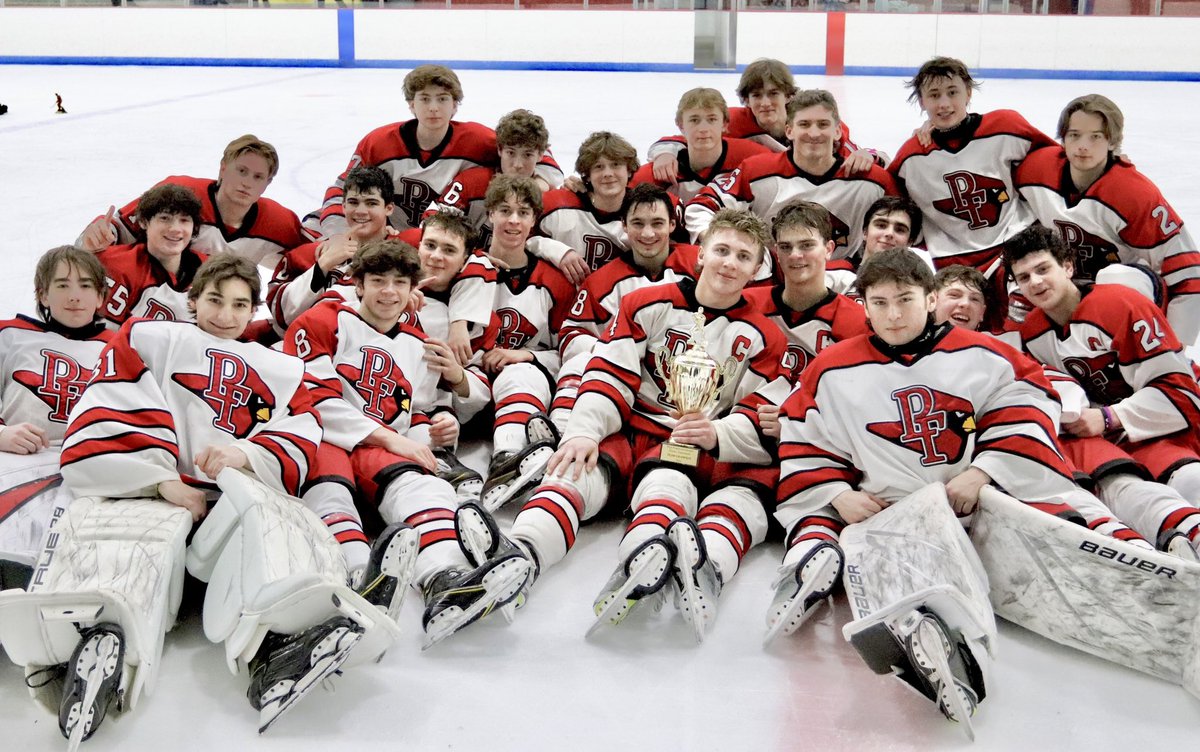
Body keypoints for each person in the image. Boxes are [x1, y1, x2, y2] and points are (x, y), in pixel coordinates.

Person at [2, 256, 404, 744]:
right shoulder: (151, 338)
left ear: (253, 308)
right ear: (193, 300)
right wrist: (158, 479)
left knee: (270, 527)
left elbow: (303, 430)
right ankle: (91, 652)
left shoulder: (284, 369)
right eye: (214, 300)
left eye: (240, 304)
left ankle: (280, 646)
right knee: (130, 541)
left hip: (230, 494)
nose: (226, 314)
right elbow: (114, 402)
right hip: (157, 486)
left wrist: (245, 454)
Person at [773, 247, 1149, 730]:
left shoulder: (985, 352)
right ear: (863, 303)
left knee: (1072, 509)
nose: (892, 314)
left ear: (930, 299)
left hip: (983, 503)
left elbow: (1030, 400)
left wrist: (987, 469)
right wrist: (834, 490)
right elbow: (803, 430)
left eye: (905, 300)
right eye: (880, 302)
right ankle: (943, 649)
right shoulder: (830, 367)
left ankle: (1137, 562)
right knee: (912, 569)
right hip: (895, 516)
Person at [455, 208, 789, 642]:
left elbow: (756, 406)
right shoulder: (646, 302)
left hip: (688, 443)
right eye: (722, 250)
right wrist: (583, 431)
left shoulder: (767, 336)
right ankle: (520, 556)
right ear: (700, 254)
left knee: (667, 484)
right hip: (631, 428)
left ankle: (640, 563)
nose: (729, 262)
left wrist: (719, 433)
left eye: (743, 256)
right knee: (570, 473)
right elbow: (609, 374)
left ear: (756, 268)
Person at [283, 239, 530, 647]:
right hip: (322, 438)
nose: (389, 292)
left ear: (413, 287)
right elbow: (313, 399)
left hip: (377, 447)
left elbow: (413, 410)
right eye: (377, 281)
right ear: (357, 284)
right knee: (329, 491)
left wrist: (436, 427)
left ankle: (444, 579)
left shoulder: (417, 344)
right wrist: (394, 440)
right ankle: (356, 581)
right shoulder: (322, 319)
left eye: (400, 282)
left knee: (423, 484)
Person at [934, 259, 1200, 560]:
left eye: (974, 299)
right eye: (954, 295)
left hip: (1036, 446)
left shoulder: (1003, 347)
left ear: (984, 313)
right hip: (961, 466)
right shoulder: (894, 353)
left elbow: (1060, 391)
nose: (964, 305)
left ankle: (1157, 540)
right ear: (931, 299)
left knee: (1122, 479)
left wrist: (1081, 417)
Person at [1006, 226, 1200, 517]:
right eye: (1024, 277)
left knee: (1189, 482)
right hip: (1122, 438)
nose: (1035, 282)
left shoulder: (1119, 303)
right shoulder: (1032, 332)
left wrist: (1109, 417)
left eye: (1043, 269)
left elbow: (1183, 393)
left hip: (1178, 425)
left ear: (1068, 267)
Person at [1014, 94, 1200, 342]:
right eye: (1075, 135)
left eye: (1096, 137)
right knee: (1019, 290)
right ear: (1063, 138)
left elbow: (1187, 271)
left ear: (1112, 142)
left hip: (1125, 291)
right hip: (1065, 287)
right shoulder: (1035, 169)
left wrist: (1177, 347)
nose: (1083, 146)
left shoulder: (1134, 194)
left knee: (1115, 280)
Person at [309, 65, 562, 238]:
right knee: (310, 226)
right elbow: (342, 188)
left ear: (455, 106)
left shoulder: (478, 140)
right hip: (388, 238)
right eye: (424, 98)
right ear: (411, 104)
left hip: (439, 241)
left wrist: (541, 182)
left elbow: (529, 146)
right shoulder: (378, 143)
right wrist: (337, 234)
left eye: (442, 99)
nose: (433, 108)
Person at [0, 247, 112, 589]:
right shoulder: (9, 335)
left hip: (90, 469)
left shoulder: (123, 348)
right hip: (15, 462)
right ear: (42, 294)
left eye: (85, 285)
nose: (74, 296)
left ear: (100, 295)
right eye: (62, 285)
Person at [550, 184, 699, 434]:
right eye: (638, 223)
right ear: (624, 225)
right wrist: (615, 352)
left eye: (657, 223)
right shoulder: (601, 281)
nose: (648, 233)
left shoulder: (700, 264)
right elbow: (570, 336)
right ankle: (561, 435)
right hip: (627, 380)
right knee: (581, 362)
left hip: (690, 383)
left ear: (673, 224)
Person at [889, 57, 1055, 280]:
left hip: (1017, 249)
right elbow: (889, 198)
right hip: (954, 265)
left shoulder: (1006, 127)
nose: (944, 104)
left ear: (968, 93)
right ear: (922, 102)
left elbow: (1060, 162)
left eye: (952, 92)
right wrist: (873, 155)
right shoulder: (911, 156)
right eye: (934, 95)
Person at [685, 90, 898, 260]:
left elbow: (909, 226)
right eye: (804, 124)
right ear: (789, 131)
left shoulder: (871, 181)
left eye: (823, 125)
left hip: (845, 284)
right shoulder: (756, 171)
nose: (814, 133)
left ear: (837, 131)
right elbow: (701, 206)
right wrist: (723, 244)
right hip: (772, 283)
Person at [475, 176, 576, 509]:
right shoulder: (467, 269)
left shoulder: (555, 281)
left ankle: (508, 457)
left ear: (535, 219)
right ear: (489, 214)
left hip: (525, 386)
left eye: (523, 212)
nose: (513, 220)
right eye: (504, 210)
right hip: (468, 386)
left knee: (520, 373)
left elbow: (570, 352)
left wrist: (525, 355)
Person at [77, 134, 308, 271]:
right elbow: (119, 229)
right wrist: (99, 233)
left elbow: (310, 261)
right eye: (242, 171)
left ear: (268, 183)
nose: (247, 183)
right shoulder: (179, 193)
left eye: (258, 177)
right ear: (223, 168)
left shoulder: (280, 222)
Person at [645, 59, 876, 177]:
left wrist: (871, 155)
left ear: (789, 96)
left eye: (773, 93)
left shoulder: (812, 123)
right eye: (756, 95)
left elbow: (857, 153)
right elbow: (684, 138)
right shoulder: (734, 120)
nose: (765, 103)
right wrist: (665, 153)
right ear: (746, 99)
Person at [430, 108, 553, 248]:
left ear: (541, 155)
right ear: (500, 150)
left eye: (527, 155)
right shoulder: (471, 182)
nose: (518, 165)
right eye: (511, 153)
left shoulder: (549, 197)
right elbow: (434, 222)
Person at [630, 87, 771, 205]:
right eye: (694, 120)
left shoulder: (752, 155)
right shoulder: (660, 171)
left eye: (711, 119)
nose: (703, 128)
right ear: (680, 125)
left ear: (724, 124)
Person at [95, 183, 208, 329]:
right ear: (143, 222)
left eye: (184, 220)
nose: (175, 229)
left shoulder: (211, 272)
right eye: (164, 218)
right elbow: (102, 338)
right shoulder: (118, 265)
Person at [535, 131, 642, 280]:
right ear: (587, 174)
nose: (608, 173)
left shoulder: (645, 209)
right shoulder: (557, 204)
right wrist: (556, 251)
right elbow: (518, 238)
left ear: (629, 170)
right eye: (598, 167)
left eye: (615, 165)